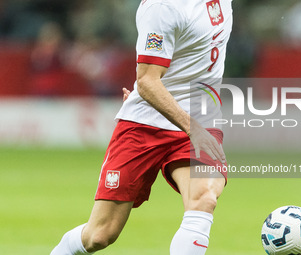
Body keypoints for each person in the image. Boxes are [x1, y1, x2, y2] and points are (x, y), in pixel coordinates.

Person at [51, 0, 233, 254]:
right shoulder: (162, 7)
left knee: (204, 197)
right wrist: (192, 128)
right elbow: (147, 81)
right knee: (100, 235)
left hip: (200, 119)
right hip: (146, 125)